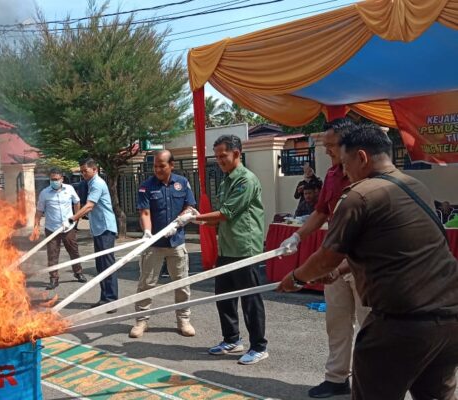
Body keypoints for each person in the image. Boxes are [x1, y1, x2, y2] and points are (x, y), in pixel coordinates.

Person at [278, 125, 458, 400]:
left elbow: (327, 255)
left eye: (346, 163)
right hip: (448, 319)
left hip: (400, 323)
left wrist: (296, 279)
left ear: (361, 157)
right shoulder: (416, 186)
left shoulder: (359, 195)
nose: (345, 171)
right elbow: (394, 250)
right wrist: (338, 271)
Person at [281, 118, 370, 398]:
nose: (327, 151)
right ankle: (336, 378)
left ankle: (368, 382)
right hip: (334, 258)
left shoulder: (366, 175)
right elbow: (321, 212)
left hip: (362, 262)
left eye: (332, 146)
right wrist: (297, 237)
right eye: (326, 146)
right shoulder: (331, 175)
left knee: (369, 325)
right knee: (337, 321)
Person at [191, 134, 269, 365]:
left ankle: (259, 346)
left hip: (245, 248)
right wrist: (200, 220)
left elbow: (226, 213)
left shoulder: (245, 180)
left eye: (223, 156)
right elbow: (219, 218)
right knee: (224, 297)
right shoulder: (226, 179)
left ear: (237, 153)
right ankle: (232, 339)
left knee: (250, 299)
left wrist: (195, 219)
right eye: (216, 157)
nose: (219, 160)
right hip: (227, 247)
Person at [130, 150, 197, 338]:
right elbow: (145, 212)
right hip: (154, 244)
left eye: (162, 165)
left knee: (182, 283)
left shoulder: (182, 183)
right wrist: (147, 232)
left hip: (176, 242)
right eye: (155, 166)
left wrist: (180, 222)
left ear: (171, 165)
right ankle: (141, 321)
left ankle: (183, 320)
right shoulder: (146, 186)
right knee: (146, 284)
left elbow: (189, 206)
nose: (158, 169)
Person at [71, 158, 118, 311]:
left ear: (95, 169)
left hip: (105, 228)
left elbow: (90, 205)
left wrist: (73, 218)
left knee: (107, 264)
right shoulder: (90, 183)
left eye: (86, 170)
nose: (83, 173)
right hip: (99, 229)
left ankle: (111, 300)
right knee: (101, 265)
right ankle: (105, 298)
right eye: (82, 171)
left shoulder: (97, 183)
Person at [30, 168, 87, 290]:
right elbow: (39, 210)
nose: (54, 181)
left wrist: (76, 218)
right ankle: (54, 279)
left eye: (56, 179)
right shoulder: (45, 193)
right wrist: (36, 225)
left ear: (62, 179)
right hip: (52, 228)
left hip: (68, 228)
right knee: (52, 254)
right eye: (52, 179)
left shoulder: (69, 189)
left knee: (73, 251)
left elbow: (77, 202)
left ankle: (78, 272)